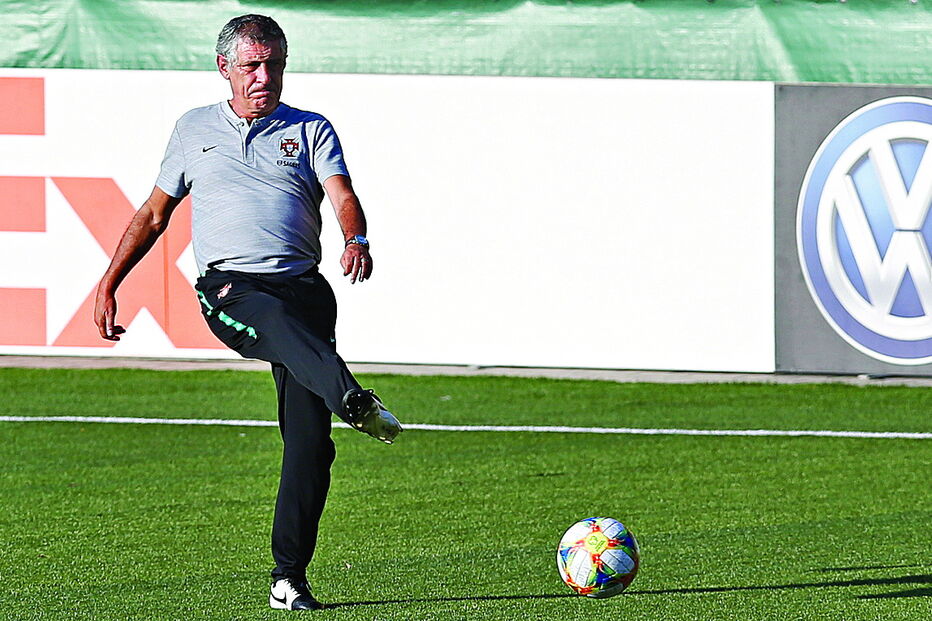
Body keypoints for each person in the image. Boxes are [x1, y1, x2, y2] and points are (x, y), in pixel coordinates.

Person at [92, 14, 402, 611]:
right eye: (253, 65)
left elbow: (342, 193)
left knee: (311, 445)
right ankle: (356, 399)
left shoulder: (310, 128)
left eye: (275, 64)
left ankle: (289, 576)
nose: (265, 76)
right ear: (225, 68)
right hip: (232, 291)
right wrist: (109, 283)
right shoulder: (193, 130)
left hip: (305, 292)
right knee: (281, 329)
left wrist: (355, 237)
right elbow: (154, 215)